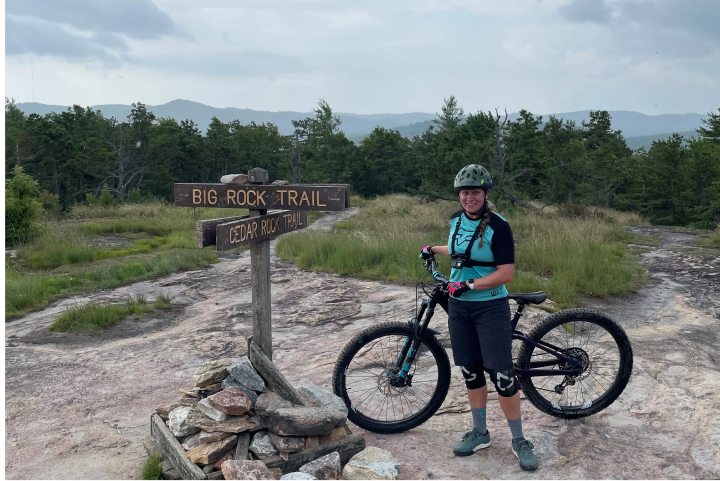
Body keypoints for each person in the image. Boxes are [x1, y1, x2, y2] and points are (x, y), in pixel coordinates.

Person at [419, 164, 538, 471]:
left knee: (501, 376)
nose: (469, 198)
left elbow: (505, 273)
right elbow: (460, 252)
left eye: (474, 192)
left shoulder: (500, 226)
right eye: (464, 192)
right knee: (471, 371)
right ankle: (481, 433)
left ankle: (519, 440)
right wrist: (432, 249)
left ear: (486, 194)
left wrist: (469, 284)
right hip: (459, 308)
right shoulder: (456, 220)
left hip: (489, 305)